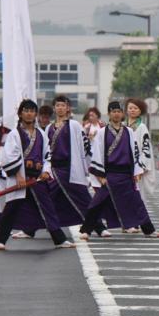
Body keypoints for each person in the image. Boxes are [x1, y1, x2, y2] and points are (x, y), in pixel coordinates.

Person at [0, 99, 74, 250]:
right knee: (11, 208)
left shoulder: (42, 134)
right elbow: (9, 156)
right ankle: (0, 240)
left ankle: (59, 240)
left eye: (32, 111)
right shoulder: (14, 135)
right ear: (21, 113)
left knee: (47, 207)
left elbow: (47, 156)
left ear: (35, 114)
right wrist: (18, 177)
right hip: (20, 177)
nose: (29, 114)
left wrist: (45, 171)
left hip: (37, 179)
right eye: (26, 111)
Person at [79, 101, 159, 240]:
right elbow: (98, 153)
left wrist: (136, 172)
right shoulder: (102, 132)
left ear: (122, 113)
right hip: (109, 174)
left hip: (126, 174)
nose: (116, 114)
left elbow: (134, 152)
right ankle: (86, 230)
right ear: (109, 114)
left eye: (119, 111)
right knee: (97, 203)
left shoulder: (129, 131)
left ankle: (149, 230)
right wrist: (101, 176)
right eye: (113, 111)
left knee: (137, 203)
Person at [46, 95, 109, 236]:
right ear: (54, 108)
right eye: (57, 105)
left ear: (68, 108)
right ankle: (30, 229)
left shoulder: (73, 125)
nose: (60, 108)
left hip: (70, 169)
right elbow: (45, 150)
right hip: (54, 170)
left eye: (63, 105)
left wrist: (90, 167)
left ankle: (99, 227)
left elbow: (85, 146)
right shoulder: (49, 128)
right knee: (45, 199)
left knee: (83, 198)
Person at [125, 97, 156, 202]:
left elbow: (146, 148)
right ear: (126, 110)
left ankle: (141, 218)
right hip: (123, 166)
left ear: (140, 111)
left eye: (135, 108)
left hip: (137, 167)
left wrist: (141, 168)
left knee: (139, 196)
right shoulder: (123, 126)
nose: (132, 110)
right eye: (130, 108)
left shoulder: (142, 127)